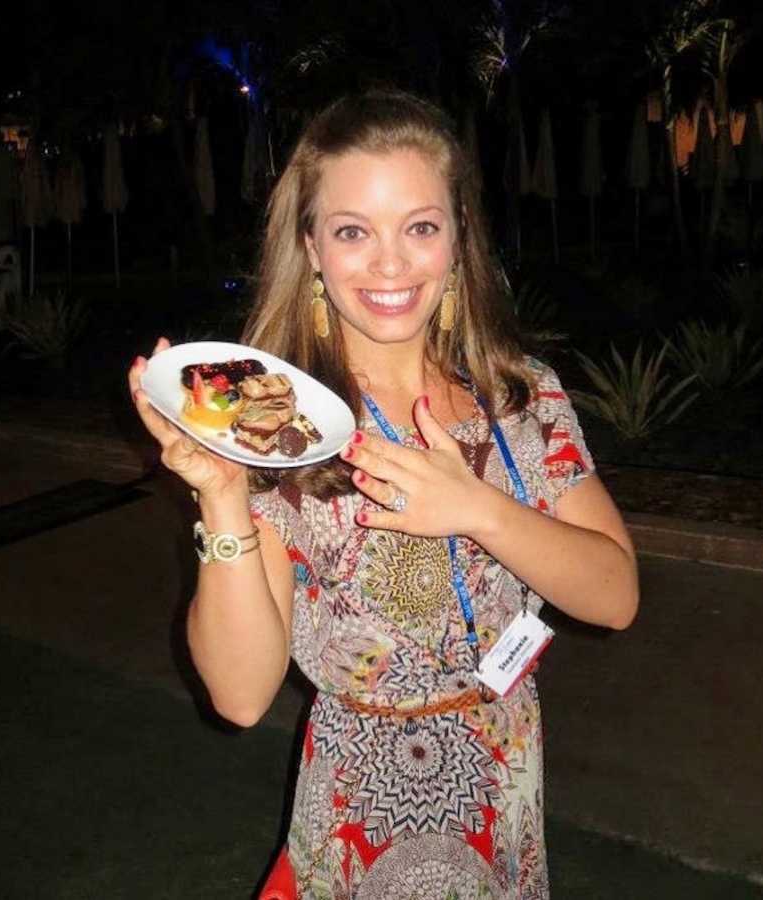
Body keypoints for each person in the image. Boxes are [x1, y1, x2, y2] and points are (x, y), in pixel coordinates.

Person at [129, 90, 638, 899]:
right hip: (357, 818)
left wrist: (478, 508)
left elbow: (614, 597)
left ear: (458, 239)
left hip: (504, 798)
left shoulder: (521, 397)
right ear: (313, 250)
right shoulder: (274, 427)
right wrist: (224, 495)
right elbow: (238, 694)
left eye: (420, 227)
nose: (391, 264)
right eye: (353, 232)